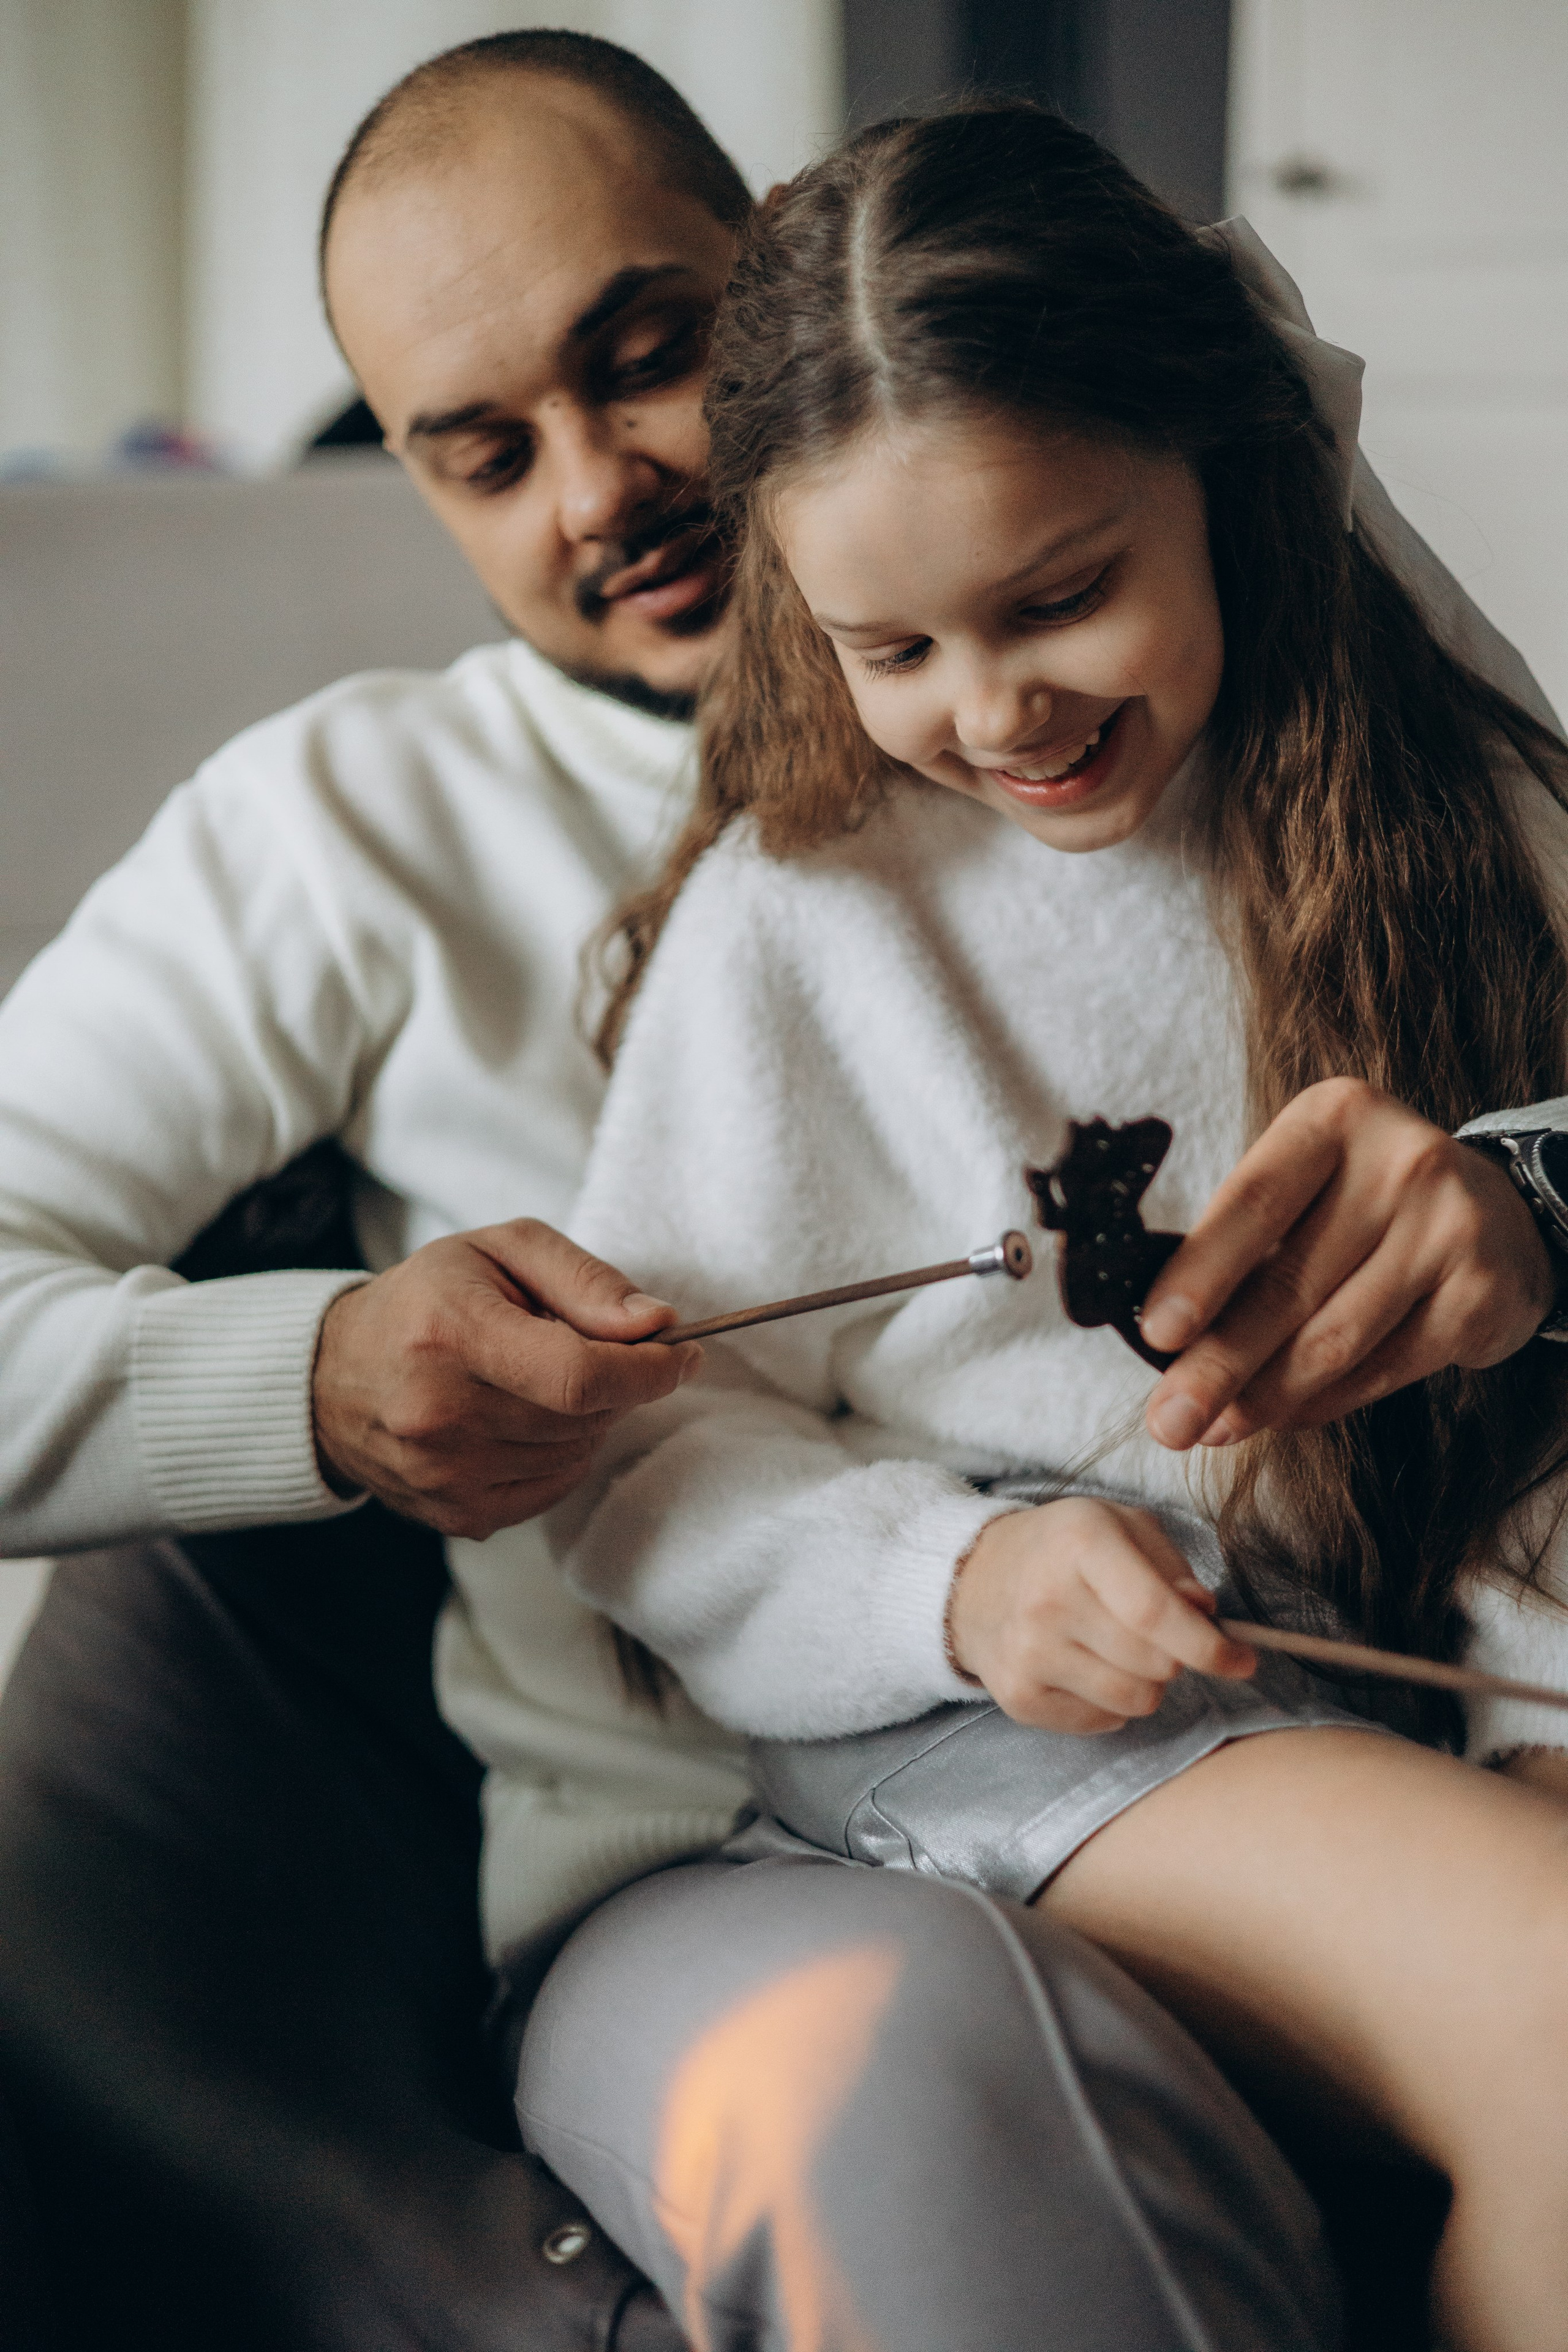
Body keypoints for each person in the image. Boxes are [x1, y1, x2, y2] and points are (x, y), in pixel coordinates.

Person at [0, 37, 1443, 2352]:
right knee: (899, 2092)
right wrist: (323, 1380)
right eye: (482, 453)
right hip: (716, 1852)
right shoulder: (341, 830)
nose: (602, 488)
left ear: (786, 270)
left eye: (647, 353)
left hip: (1269, 1749)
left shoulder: (1243, 727)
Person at [515, 110, 1568, 2352]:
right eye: (888, 645)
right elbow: (639, 1457)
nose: (992, 715)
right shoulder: (806, 921)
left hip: (1410, 1666)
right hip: (1005, 1718)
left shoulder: (1463, 820)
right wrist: (957, 1580)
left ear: (1228, 468)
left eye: (1064, 594)